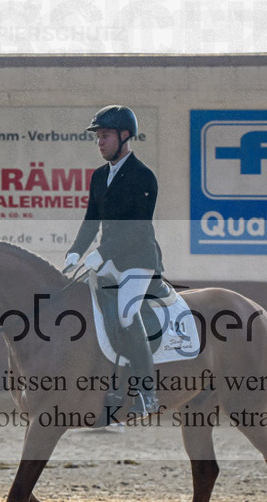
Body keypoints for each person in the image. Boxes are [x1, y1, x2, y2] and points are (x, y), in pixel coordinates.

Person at [64, 105, 164, 417]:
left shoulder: (144, 177)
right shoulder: (98, 177)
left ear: (124, 136)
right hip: (108, 258)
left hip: (138, 260)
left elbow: (136, 230)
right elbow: (91, 221)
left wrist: (101, 254)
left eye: (105, 136)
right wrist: (75, 252)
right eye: (97, 137)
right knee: (79, 300)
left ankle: (147, 393)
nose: (100, 143)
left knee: (124, 312)